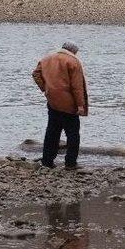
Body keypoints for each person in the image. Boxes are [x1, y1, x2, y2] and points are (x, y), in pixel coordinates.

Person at [32, 41, 88, 169]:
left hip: (52, 101)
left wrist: (45, 88)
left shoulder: (47, 58)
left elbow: (36, 74)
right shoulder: (73, 62)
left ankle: (47, 161)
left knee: (52, 132)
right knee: (73, 134)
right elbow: (77, 87)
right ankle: (70, 163)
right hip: (69, 104)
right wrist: (80, 105)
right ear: (73, 51)